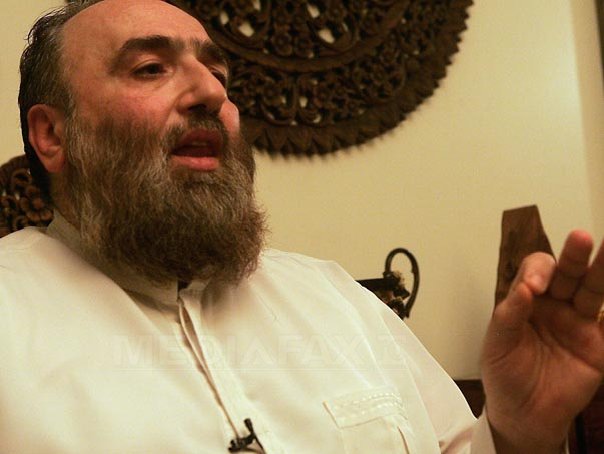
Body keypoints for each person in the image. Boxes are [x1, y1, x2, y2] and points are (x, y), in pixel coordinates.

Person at [1, 0, 603, 452]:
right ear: (52, 134)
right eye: (151, 68)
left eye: (220, 75)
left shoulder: (336, 298)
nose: (210, 92)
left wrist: (516, 433)